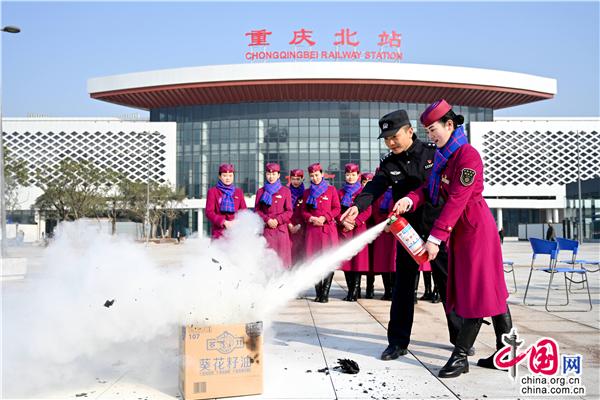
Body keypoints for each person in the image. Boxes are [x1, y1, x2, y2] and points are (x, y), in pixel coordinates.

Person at [395, 99, 512, 378]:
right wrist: (410, 199)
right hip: (461, 231)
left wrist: (435, 238)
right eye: (427, 131)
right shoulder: (444, 157)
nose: (430, 136)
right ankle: (507, 352)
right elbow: (428, 188)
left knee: (476, 292)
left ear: (449, 125)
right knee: (490, 289)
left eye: (433, 129)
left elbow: (457, 199)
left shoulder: (467, 155)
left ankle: (460, 357)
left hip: (475, 231)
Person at [340, 109, 463, 361]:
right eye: (386, 139)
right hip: (407, 233)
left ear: (409, 131)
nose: (391, 142)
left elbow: (438, 188)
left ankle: (461, 339)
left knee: (447, 285)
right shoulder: (389, 163)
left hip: (436, 231)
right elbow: (374, 187)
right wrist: (358, 206)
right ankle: (397, 343)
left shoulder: (432, 154)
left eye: (394, 136)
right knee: (403, 288)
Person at [302, 163, 341, 303]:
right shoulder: (307, 192)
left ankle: (325, 292)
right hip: (313, 231)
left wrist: (325, 218)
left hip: (327, 231)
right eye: (312, 176)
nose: (315, 178)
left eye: (317, 175)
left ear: (322, 174)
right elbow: (303, 211)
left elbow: (337, 208)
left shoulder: (331, 190)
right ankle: (318, 292)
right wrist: (311, 218)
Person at [336, 163, 372, 302]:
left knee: (357, 262)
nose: (350, 177)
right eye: (348, 174)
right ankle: (350, 290)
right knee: (347, 262)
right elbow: (336, 210)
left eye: (353, 174)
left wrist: (355, 222)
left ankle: (355, 291)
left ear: (358, 175)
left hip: (358, 230)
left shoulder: (364, 192)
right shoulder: (340, 193)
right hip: (344, 231)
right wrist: (343, 222)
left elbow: (368, 211)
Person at [255, 163, 293, 268]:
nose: (271, 177)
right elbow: (257, 210)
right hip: (267, 231)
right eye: (268, 174)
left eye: (274, 174)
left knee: (283, 262)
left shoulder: (285, 191)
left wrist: (277, 220)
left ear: (278, 175)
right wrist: (267, 220)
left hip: (281, 232)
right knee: (267, 263)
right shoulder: (260, 192)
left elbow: (289, 211)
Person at [205, 163, 247, 239]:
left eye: (230, 175)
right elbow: (209, 212)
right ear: (219, 176)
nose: (228, 178)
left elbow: (244, 211)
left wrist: (237, 222)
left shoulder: (238, 192)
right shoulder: (213, 192)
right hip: (219, 233)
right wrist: (224, 222)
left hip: (235, 232)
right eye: (225, 176)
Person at [370, 186, 396, 300]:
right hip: (382, 232)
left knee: (394, 263)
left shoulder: (399, 193)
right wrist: (383, 224)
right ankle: (387, 291)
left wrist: (391, 224)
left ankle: (395, 291)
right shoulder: (379, 194)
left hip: (396, 232)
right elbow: (375, 211)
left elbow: (400, 212)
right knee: (383, 262)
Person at [288, 168, 306, 266]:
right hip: (289, 227)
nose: (295, 181)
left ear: (302, 179)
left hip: (302, 228)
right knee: (290, 254)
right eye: (293, 179)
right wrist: (290, 225)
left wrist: (300, 225)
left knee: (302, 255)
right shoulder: (285, 192)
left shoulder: (306, 193)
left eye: (298, 179)